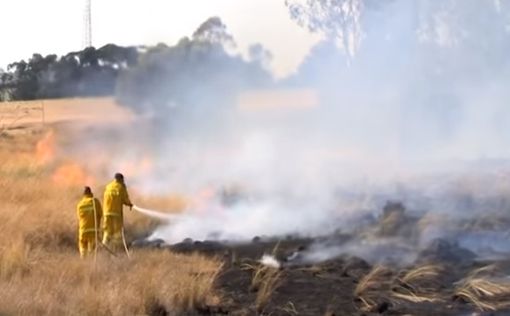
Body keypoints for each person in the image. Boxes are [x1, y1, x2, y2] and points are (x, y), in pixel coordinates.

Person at [102, 173, 133, 250]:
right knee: (117, 233)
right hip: (116, 213)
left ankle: (104, 246)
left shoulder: (108, 186)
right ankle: (116, 248)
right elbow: (125, 199)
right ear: (120, 179)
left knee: (107, 231)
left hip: (106, 212)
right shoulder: (121, 187)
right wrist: (130, 204)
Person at [76, 186, 102, 258]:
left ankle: (83, 262)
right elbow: (100, 214)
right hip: (93, 230)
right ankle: (90, 264)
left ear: (83, 194)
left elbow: (79, 217)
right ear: (91, 193)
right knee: (92, 249)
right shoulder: (95, 202)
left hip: (83, 230)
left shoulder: (80, 204)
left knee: (83, 247)